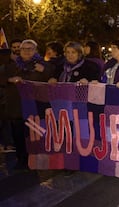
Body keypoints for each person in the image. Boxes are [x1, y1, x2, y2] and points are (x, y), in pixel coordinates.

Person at [8, 39, 55, 170]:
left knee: (36, 133)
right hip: (18, 107)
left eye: (30, 49)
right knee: (19, 134)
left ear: (36, 51)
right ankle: (22, 159)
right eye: (24, 49)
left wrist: (44, 71)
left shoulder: (43, 64)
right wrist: (10, 79)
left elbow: (52, 77)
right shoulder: (14, 66)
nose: (27, 51)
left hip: (37, 107)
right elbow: (4, 78)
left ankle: (38, 159)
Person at [0, 49, 17, 153]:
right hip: (4, 99)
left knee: (6, 122)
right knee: (5, 122)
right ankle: (7, 143)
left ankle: (7, 143)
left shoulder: (10, 66)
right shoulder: (4, 67)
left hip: (6, 100)